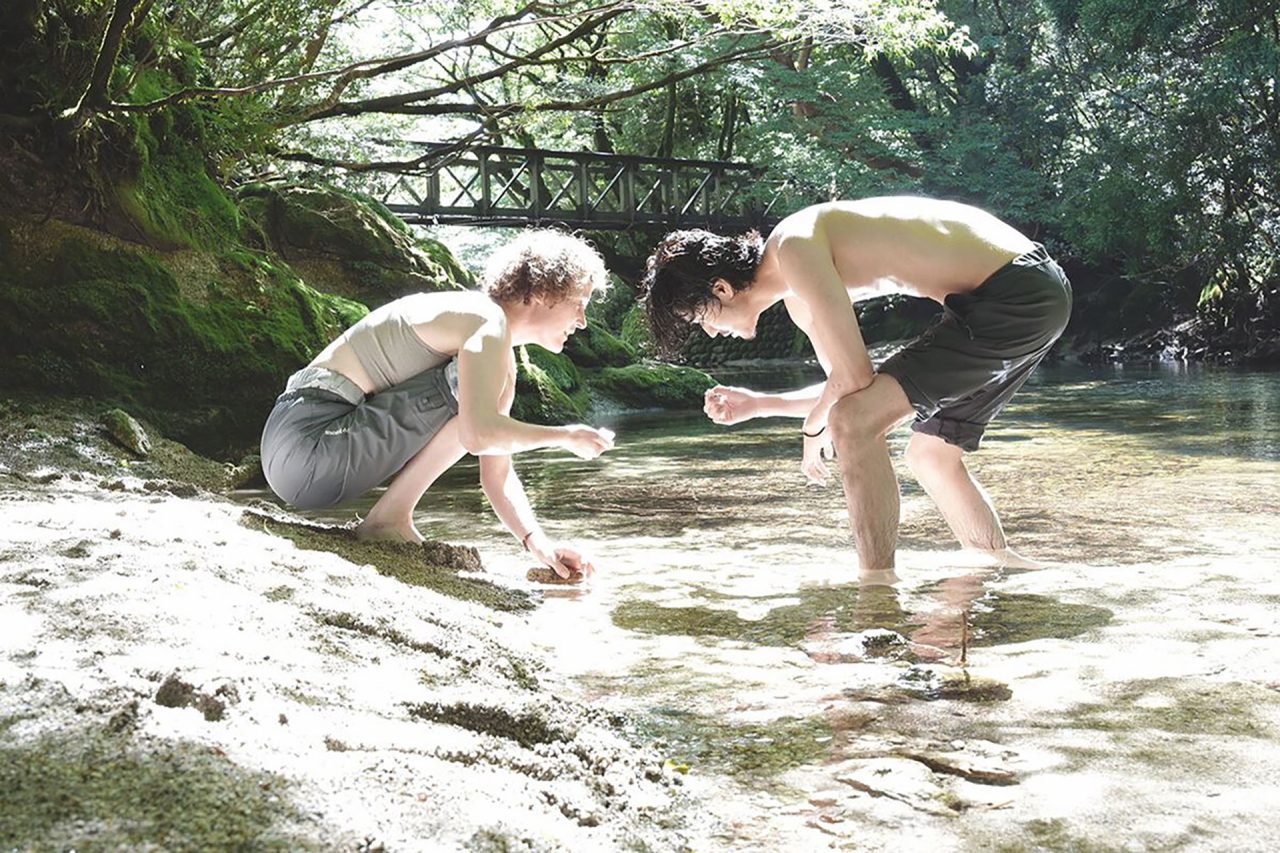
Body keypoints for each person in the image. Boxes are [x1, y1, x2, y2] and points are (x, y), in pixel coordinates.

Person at [641, 197, 1071, 577]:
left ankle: (877, 588)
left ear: (721, 288)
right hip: (1023, 295)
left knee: (853, 423)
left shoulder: (794, 247)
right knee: (930, 455)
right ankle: (998, 567)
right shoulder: (796, 295)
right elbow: (847, 387)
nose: (710, 332)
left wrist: (815, 427)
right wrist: (759, 405)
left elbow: (853, 389)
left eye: (700, 318)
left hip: (1014, 293)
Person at [261, 229, 615, 578]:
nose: (582, 322)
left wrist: (538, 544)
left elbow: (497, 472)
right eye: (579, 304)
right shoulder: (485, 321)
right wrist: (565, 436)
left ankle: (390, 518)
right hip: (309, 443)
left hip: (301, 453)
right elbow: (479, 435)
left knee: (485, 400)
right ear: (542, 291)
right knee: (471, 395)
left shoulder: (493, 346)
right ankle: (389, 520)